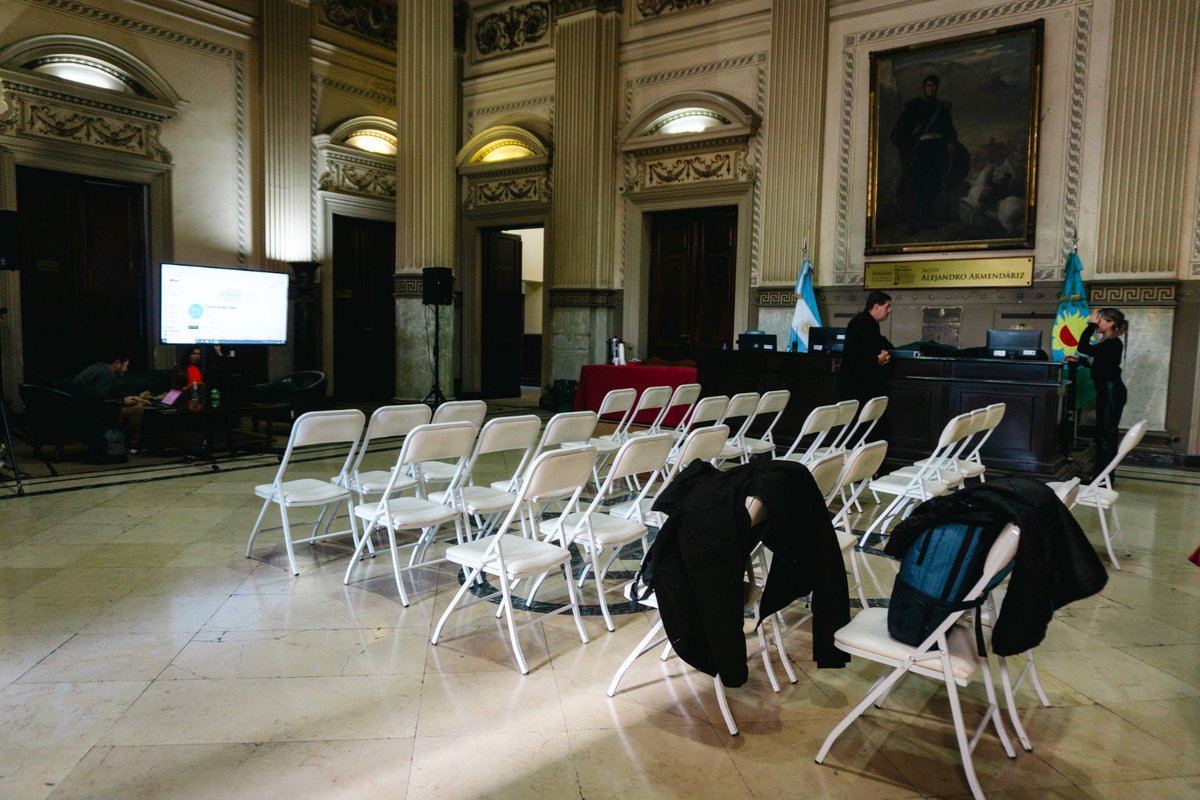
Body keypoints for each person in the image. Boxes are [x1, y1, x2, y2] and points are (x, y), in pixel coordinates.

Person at [889, 74, 963, 234]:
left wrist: (951, 142)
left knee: (932, 187)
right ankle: (913, 223)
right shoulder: (916, 106)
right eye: (928, 85)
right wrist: (912, 133)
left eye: (934, 86)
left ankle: (925, 221)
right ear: (924, 88)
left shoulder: (942, 108)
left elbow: (949, 128)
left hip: (938, 150)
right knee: (918, 187)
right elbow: (905, 129)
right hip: (922, 150)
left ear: (937, 88)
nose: (931, 88)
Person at [1073, 308, 1128, 478]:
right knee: (1102, 434)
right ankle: (1100, 476)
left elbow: (1082, 346)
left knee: (1106, 436)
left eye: (1100, 320)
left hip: (1111, 391)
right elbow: (1102, 365)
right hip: (1107, 390)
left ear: (1111, 323)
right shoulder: (1106, 342)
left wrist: (1090, 325)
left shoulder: (1113, 342)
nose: (1097, 323)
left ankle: (1104, 478)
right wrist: (1080, 360)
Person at [71, 351, 148, 455]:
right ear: (117, 363)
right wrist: (121, 402)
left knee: (133, 405)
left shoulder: (100, 367)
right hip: (90, 412)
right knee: (137, 408)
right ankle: (130, 445)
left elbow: (108, 392)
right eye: (125, 366)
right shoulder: (107, 374)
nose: (126, 370)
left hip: (78, 406)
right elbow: (98, 398)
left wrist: (126, 397)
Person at [837, 291, 894, 414]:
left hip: (862, 384)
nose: (890, 310)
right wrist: (877, 360)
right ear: (876, 307)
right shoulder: (860, 323)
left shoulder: (871, 323)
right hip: (854, 386)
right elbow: (853, 357)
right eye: (887, 306)